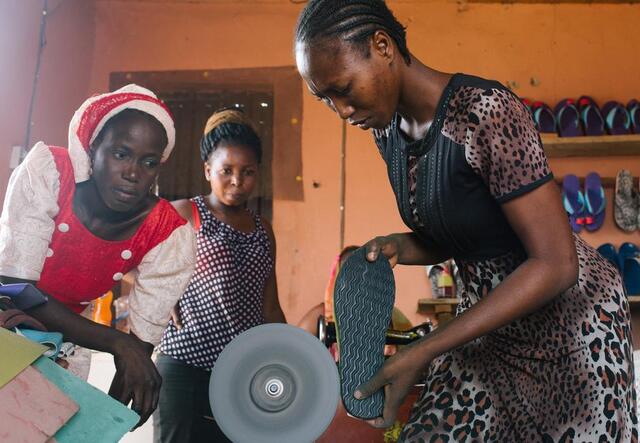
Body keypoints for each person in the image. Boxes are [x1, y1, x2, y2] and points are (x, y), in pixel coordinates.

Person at [294, 1, 637, 441]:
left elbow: (558, 264)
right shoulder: (388, 130)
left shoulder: (487, 112)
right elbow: (472, 232)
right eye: (325, 99)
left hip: (570, 327)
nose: (341, 110)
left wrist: (423, 350)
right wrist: (404, 244)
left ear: (382, 47)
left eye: (343, 88)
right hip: (487, 325)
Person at [0, 84, 197, 427]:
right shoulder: (49, 172)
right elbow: (15, 286)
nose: (133, 173)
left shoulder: (166, 232)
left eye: (148, 162)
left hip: (66, 347)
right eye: (121, 154)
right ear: (93, 149)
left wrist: (110, 418)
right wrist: (119, 344)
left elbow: (140, 347)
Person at [153, 108, 286, 443]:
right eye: (226, 170)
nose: (237, 181)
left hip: (241, 372)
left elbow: (269, 306)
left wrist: (289, 357)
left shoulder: (262, 229)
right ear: (208, 170)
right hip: (185, 363)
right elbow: (128, 259)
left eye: (248, 172)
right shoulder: (186, 213)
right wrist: (161, 292)